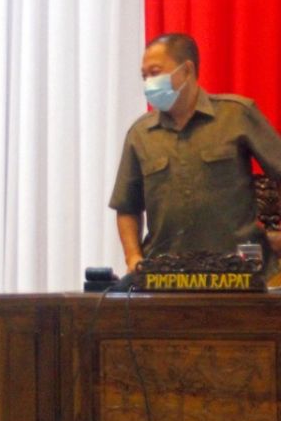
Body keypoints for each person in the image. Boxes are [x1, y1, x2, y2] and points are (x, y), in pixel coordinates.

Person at [109, 33, 281, 274]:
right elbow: (126, 206)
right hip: (165, 273)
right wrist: (133, 257)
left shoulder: (236, 115)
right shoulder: (140, 133)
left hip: (239, 270)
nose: (149, 82)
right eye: (144, 76)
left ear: (187, 71)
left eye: (155, 72)